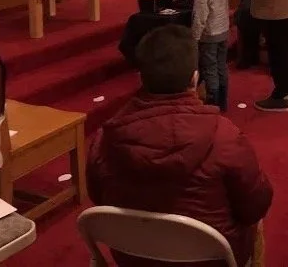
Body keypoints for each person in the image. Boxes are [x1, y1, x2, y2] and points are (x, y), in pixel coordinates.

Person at [87, 25, 273, 267]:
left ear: (140, 78)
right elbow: (255, 206)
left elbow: (99, 200)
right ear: (195, 78)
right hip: (210, 261)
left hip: (134, 258)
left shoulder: (104, 139)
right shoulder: (225, 136)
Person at [191, 0, 233, 112]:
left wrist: (194, 38)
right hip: (223, 31)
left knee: (210, 68)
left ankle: (213, 102)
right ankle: (223, 101)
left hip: (209, 35)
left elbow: (200, 18)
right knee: (222, 65)